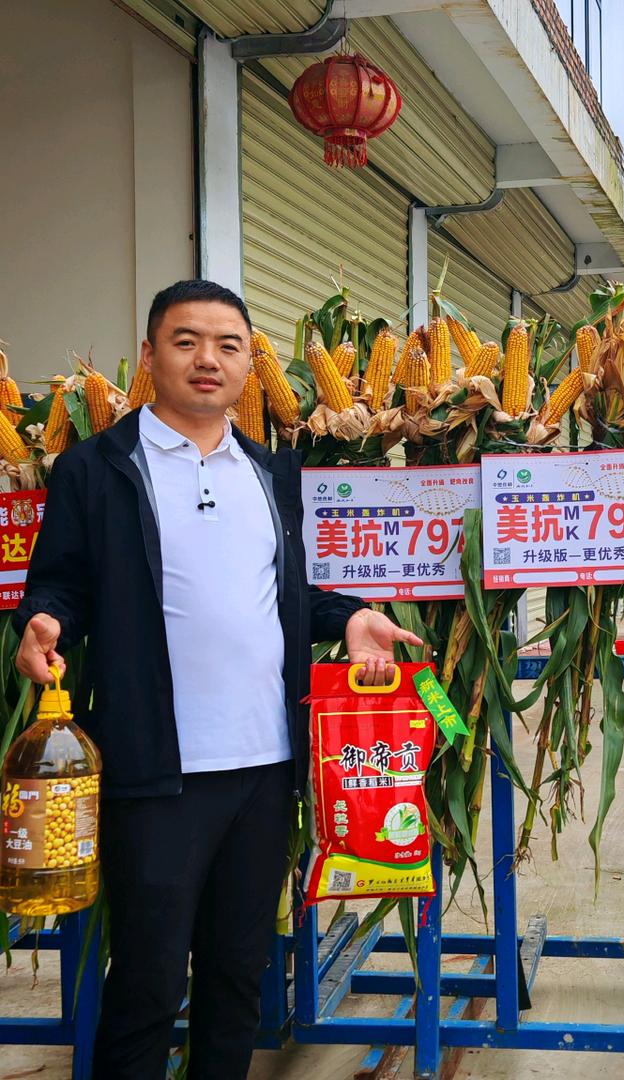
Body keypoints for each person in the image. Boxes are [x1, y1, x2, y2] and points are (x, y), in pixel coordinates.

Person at [13, 280, 423, 1079]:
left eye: (229, 346)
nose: (209, 360)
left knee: (240, 975)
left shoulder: (271, 472)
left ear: (248, 364)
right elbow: (58, 580)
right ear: (150, 356)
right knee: (148, 981)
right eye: (187, 340)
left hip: (264, 771)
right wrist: (46, 622)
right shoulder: (98, 469)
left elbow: (279, 593)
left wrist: (348, 619)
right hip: (154, 771)